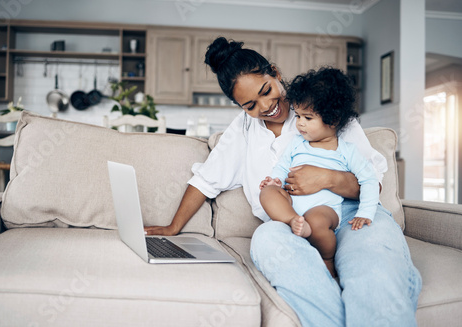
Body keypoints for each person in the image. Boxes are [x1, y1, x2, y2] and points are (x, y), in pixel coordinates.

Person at [145, 37, 421, 326]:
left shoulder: (323, 105)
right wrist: (173, 227)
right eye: (250, 105)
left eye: (267, 90)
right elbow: (205, 181)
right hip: (291, 228)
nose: (266, 106)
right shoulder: (242, 131)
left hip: (352, 216)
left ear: (275, 73)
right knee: (265, 238)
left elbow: (372, 185)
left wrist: (328, 178)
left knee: (374, 274)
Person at [259, 67, 380, 277]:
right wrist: (275, 180)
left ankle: (327, 259)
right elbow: (282, 166)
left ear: (332, 120)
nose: (299, 123)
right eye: (298, 116)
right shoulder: (296, 144)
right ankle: (291, 221)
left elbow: (369, 180)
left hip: (324, 210)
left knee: (317, 223)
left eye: (308, 117)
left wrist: (365, 213)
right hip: (292, 204)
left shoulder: (346, 151)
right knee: (267, 193)